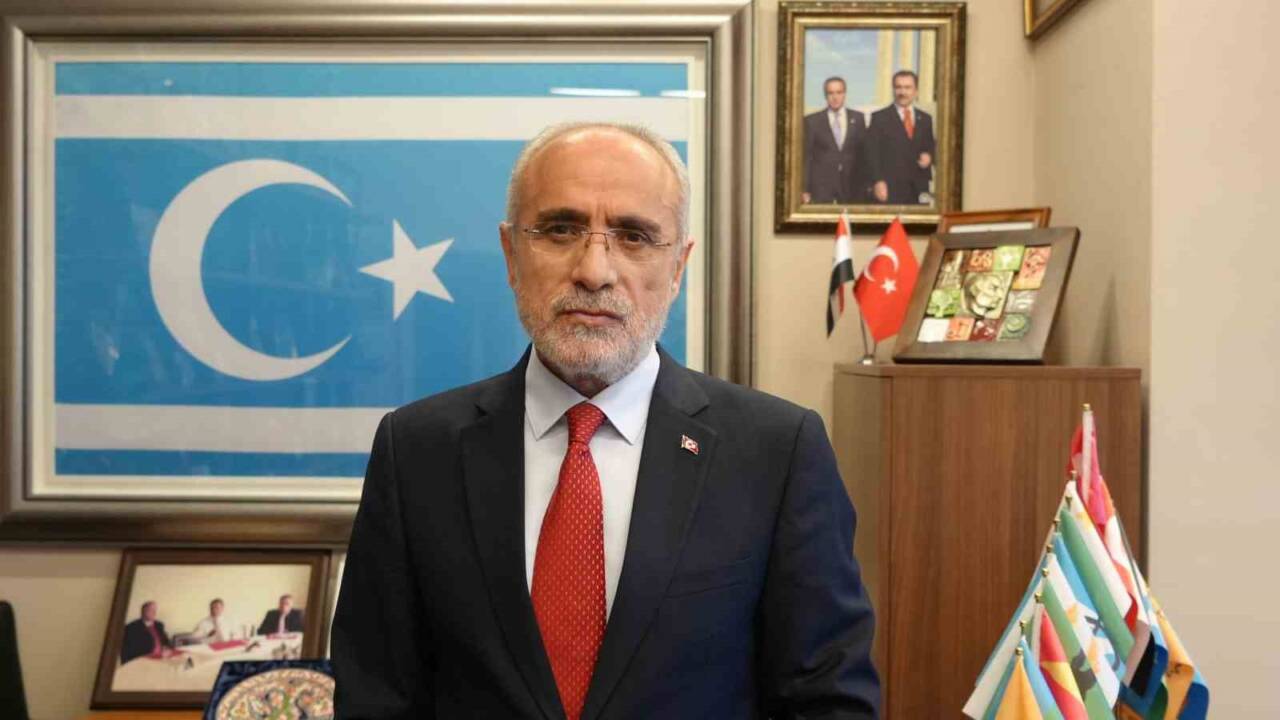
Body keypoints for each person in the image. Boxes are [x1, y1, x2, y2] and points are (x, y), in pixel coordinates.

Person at [332, 122, 879, 719]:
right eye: (560, 230)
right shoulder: (416, 451)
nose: (594, 270)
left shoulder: (778, 453)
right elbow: (375, 701)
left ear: (678, 266)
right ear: (511, 255)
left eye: (634, 236)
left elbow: (828, 703)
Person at [867, 70, 936, 205]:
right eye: (898, 87)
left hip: (919, 189)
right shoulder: (879, 118)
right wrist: (877, 181)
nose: (902, 92)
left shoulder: (925, 119)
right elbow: (871, 154)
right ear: (893, 90)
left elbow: (930, 146)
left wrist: (929, 156)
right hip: (890, 189)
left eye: (907, 87)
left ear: (915, 91)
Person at [802, 76, 869, 204]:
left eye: (839, 92)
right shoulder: (812, 121)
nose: (835, 97)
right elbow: (807, 157)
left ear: (844, 94)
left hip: (851, 186)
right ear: (825, 95)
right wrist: (804, 189)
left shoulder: (858, 118)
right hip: (821, 187)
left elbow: (864, 154)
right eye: (830, 93)